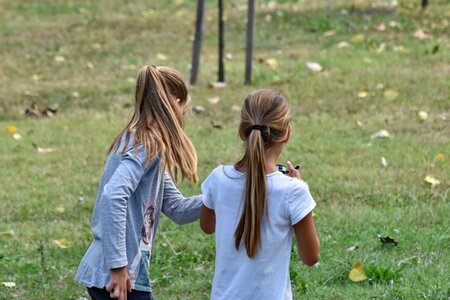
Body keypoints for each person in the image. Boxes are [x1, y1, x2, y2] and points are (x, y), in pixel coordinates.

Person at [75, 65, 202, 300]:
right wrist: (117, 267)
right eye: (185, 107)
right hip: (116, 277)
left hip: (121, 275)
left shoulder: (148, 144)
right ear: (176, 102)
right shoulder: (146, 143)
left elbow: (178, 209)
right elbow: (113, 195)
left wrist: (226, 193)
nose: (184, 114)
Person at [200, 89, 320, 300]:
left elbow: (207, 226)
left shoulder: (218, 179)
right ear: (287, 133)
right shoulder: (294, 191)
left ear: (241, 132)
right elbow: (311, 257)